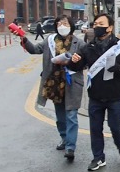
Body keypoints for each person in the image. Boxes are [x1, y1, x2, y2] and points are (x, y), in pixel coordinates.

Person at [14, 15, 86, 161]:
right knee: (60, 116)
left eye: (65, 23)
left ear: (71, 25)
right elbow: (34, 49)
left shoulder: (80, 43)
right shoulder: (50, 40)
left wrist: (75, 61)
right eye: (59, 23)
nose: (62, 25)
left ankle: (70, 147)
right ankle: (64, 138)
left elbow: (85, 63)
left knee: (71, 115)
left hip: (72, 83)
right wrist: (23, 38)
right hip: (54, 83)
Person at [71, 13, 120, 171]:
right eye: (95, 24)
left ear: (110, 27)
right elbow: (77, 68)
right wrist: (73, 62)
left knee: (116, 127)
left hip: (115, 96)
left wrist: (119, 68)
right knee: (95, 129)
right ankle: (98, 157)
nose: (96, 27)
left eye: (100, 24)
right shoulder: (88, 47)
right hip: (95, 96)